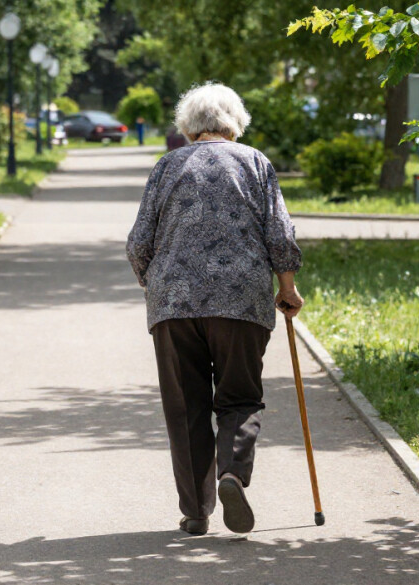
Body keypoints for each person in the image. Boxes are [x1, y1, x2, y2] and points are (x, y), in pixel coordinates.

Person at [126, 82, 303, 536]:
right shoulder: (255, 163)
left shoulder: (167, 166)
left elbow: (138, 242)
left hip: (173, 302)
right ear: (234, 123)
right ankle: (232, 474)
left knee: (185, 408)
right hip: (240, 298)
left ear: (188, 126)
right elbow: (280, 234)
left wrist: (156, 285)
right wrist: (287, 288)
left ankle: (195, 512)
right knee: (239, 397)